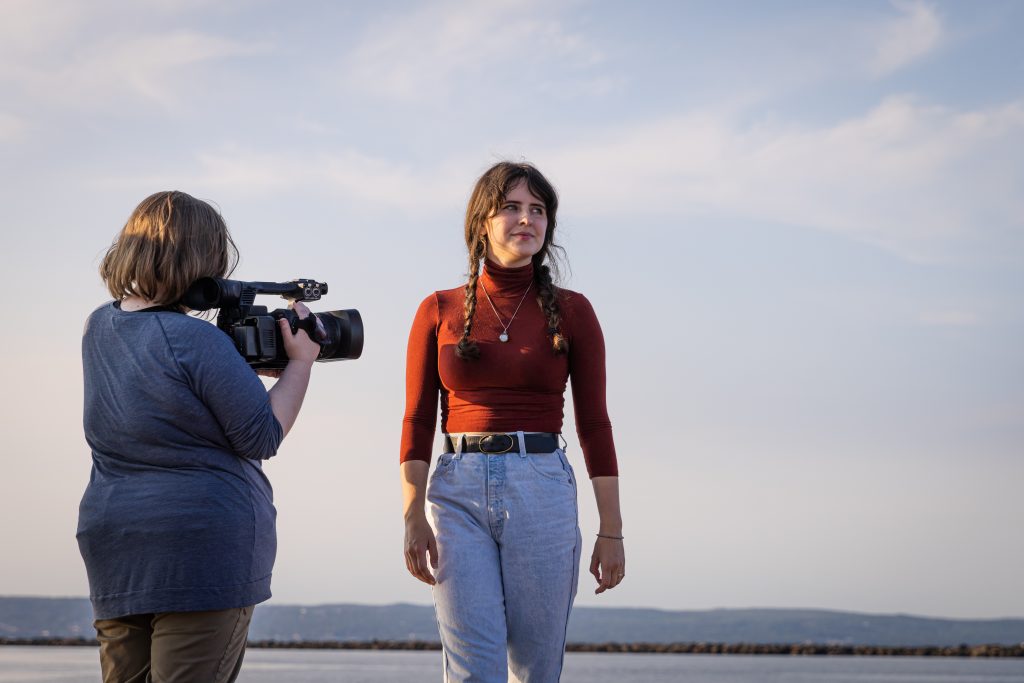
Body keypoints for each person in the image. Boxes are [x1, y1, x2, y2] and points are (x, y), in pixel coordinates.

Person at [76, 191, 321, 683]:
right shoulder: (197, 339)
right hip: (200, 547)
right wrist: (300, 363)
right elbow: (261, 435)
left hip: (116, 545)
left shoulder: (99, 327)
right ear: (200, 260)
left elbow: (165, 407)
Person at [400, 161, 625, 682]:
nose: (527, 219)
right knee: (473, 673)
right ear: (483, 221)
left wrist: (611, 531)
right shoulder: (438, 309)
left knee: (535, 671)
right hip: (457, 490)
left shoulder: (574, 312)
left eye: (538, 210)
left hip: (541, 484)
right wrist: (412, 514)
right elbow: (416, 420)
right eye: (512, 208)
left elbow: (595, 425)